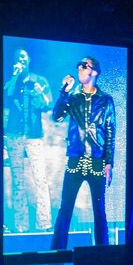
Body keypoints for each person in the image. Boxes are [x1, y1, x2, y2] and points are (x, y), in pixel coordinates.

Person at [50, 56, 116, 249]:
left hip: (96, 162)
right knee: (65, 210)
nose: (79, 68)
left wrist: (109, 163)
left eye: (84, 66)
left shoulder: (105, 100)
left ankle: (103, 254)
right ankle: (55, 255)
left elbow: (111, 131)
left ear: (94, 71)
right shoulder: (73, 98)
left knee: (99, 212)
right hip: (75, 161)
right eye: (78, 65)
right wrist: (64, 92)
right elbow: (57, 116)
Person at [3, 48, 53, 233]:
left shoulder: (39, 81)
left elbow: (47, 105)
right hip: (14, 135)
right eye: (17, 58)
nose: (20, 60)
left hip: (33, 136)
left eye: (23, 57)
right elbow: (5, 98)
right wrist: (15, 78)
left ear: (29, 59)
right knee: (18, 181)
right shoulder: (12, 83)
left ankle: (44, 224)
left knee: (40, 179)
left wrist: (39, 93)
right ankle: (21, 226)